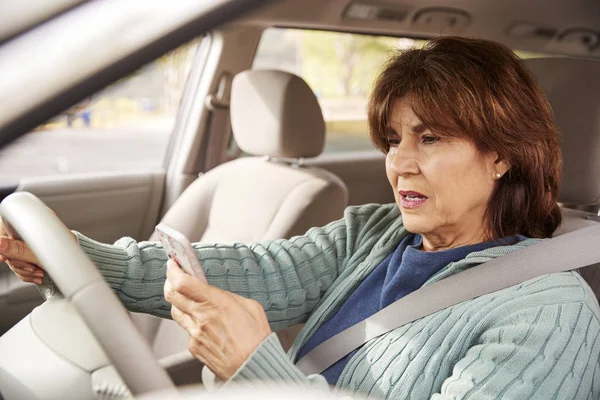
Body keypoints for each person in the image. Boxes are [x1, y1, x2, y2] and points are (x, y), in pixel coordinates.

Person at [1, 37, 599, 399]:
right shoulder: (373, 235)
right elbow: (248, 269)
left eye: (431, 137)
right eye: (393, 139)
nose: (400, 164)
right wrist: (76, 257)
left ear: (501, 153)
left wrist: (253, 365)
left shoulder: (550, 312)